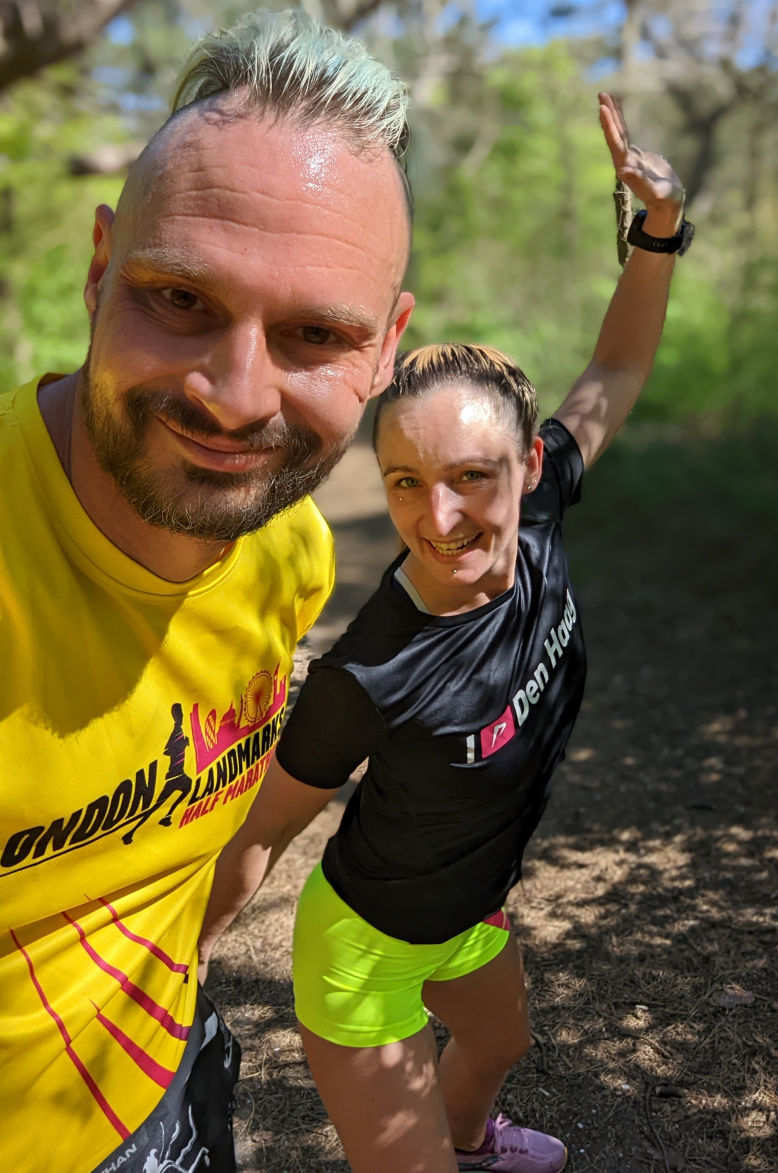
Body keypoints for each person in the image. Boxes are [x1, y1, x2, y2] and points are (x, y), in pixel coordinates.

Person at [198, 95, 691, 1173]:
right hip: (363, 952)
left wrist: (657, 227)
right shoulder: (371, 670)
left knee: (499, 1040)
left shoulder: (550, 492)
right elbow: (260, 838)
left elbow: (614, 374)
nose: (438, 517)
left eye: (473, 478)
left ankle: (470, 1140)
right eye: (407, 482)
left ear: (528, 466)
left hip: (473, 908)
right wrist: (168, 964)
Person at [0, 10, 414, 1173]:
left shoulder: (290, 554)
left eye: (313, 333)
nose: (237, 396)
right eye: (180, 299)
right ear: (95, 270)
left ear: (384, 349)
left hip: (174, 1062)